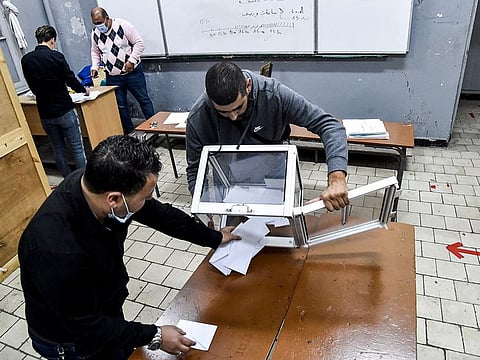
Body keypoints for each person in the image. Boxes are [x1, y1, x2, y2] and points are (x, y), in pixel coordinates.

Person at [18, 135, 241, 359]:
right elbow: (90, 327)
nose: (148, 202)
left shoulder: (96, 186)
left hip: (103, 306)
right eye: (145, 197)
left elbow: (162, 216)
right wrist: (156, 335)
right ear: (114, 200)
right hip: (72, 340)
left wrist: (213, 237)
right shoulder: (56, 249)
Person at [186, 61, 350, 211]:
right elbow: (194, 170)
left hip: (274, 168)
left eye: (238, 108)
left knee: (278, 224)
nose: (233, 116)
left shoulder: (274, 94)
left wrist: (336, 177)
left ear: (247, 86)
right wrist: (203, 210)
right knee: (235, 230)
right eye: (223, 112)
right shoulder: (199, 116)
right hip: (230, 179)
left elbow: (330, 126)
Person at [21, 25, 88, 178]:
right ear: (52, 40)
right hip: (64, 108)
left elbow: (31, 83)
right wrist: (83, 90)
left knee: (58, 149)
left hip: (45, 112)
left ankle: (67, 180)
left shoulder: (26, 60)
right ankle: (84, 181)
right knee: (77, 148)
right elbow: (70, 79)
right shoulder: (56, 56)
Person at [90, 7, 155, 135]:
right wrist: (94, 67)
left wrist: (131, 60)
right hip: (112, 76)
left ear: (107, 18)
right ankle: (130, 132)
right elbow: (95, 52)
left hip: (132, 74)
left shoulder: (123, 26)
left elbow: (139, 43)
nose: (98, 26)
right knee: (120, 106)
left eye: (100, 22)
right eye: (95, 23)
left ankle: (154, 129)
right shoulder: (95, 33)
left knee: (143, 100)